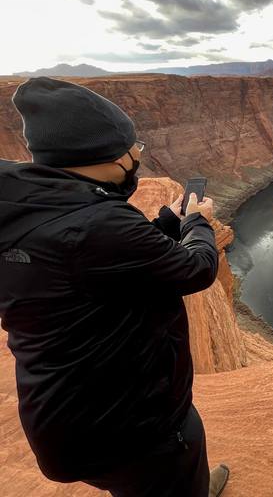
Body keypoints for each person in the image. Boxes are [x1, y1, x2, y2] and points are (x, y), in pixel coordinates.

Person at [0, 77, 230, 496]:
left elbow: (101, 260)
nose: (138, 154)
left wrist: (167, 223)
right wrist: (197, 222)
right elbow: (197, 268)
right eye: (133, 147)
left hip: (64, 420)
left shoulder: (27, 205)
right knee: (172, 473)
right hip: (137, 427)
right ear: (103, 154)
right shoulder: (97, 224)